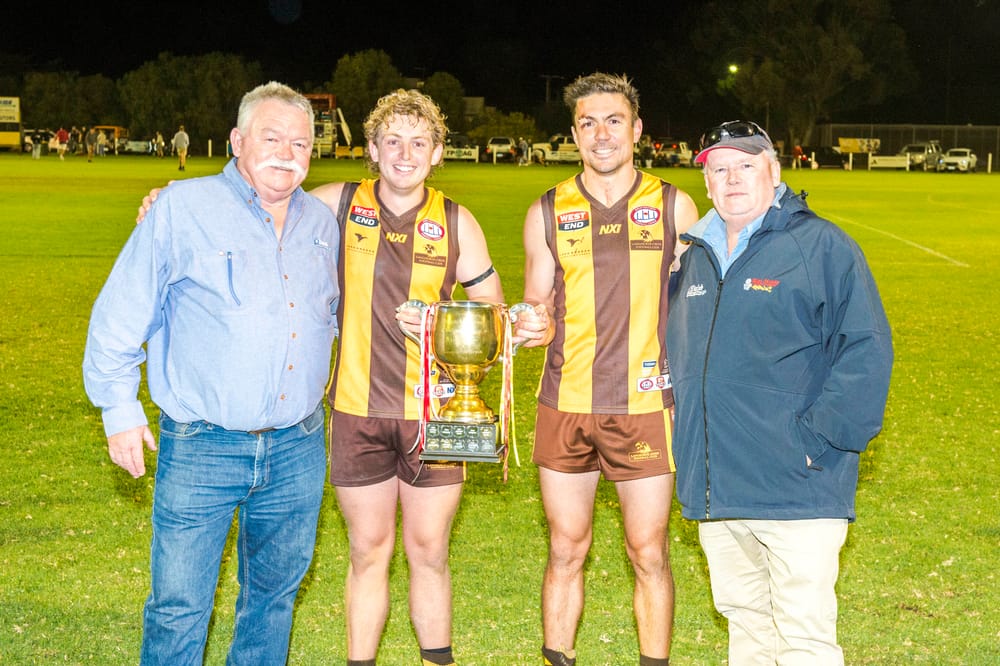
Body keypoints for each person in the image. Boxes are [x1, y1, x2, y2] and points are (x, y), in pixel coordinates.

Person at [83, 81, 340, 665]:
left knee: (273, 599)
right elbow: (121, 312)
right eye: (270, 138)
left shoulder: (321, 225)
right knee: (179, 607)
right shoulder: (183, 208)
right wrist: (119, 410)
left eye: (300, 144)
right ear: (237, 141)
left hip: (297, 448)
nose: (286, 154)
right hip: (203, 446)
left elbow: (328, 316)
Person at [666, 120, 893, 665]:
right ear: (706, 183)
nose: (732, 179)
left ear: (774, 170)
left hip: (797, 485)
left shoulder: (820, 246)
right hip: (719, 486)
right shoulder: (694, 255)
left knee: (802, 636)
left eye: (746, 165)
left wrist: (817, 443)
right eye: (720, 169)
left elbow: (866, 350)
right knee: (746, 624)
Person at [309, 88, 503, 666]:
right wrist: (173, 198)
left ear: (437, 153)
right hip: (356, 410)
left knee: (430, 551)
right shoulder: (337, 202)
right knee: (368, 551)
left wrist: (441, 319)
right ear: (371, 148)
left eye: (419, 143)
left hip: (437, 413)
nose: (404, 153)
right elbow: (258, 207)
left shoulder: (456, 221)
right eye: (392, 141)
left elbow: (492, 313)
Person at [511, 72, 699, 666]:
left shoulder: (674, 205)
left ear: (637, 129)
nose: (601, 134)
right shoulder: (547, 210)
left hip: (645, 406)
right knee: (566, 548)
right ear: (574, 134)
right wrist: (529, 324)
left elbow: (694, 306)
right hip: (565, 402)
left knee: (649, 552)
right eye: (587, 123)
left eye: (613, 121)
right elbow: (537, 304)